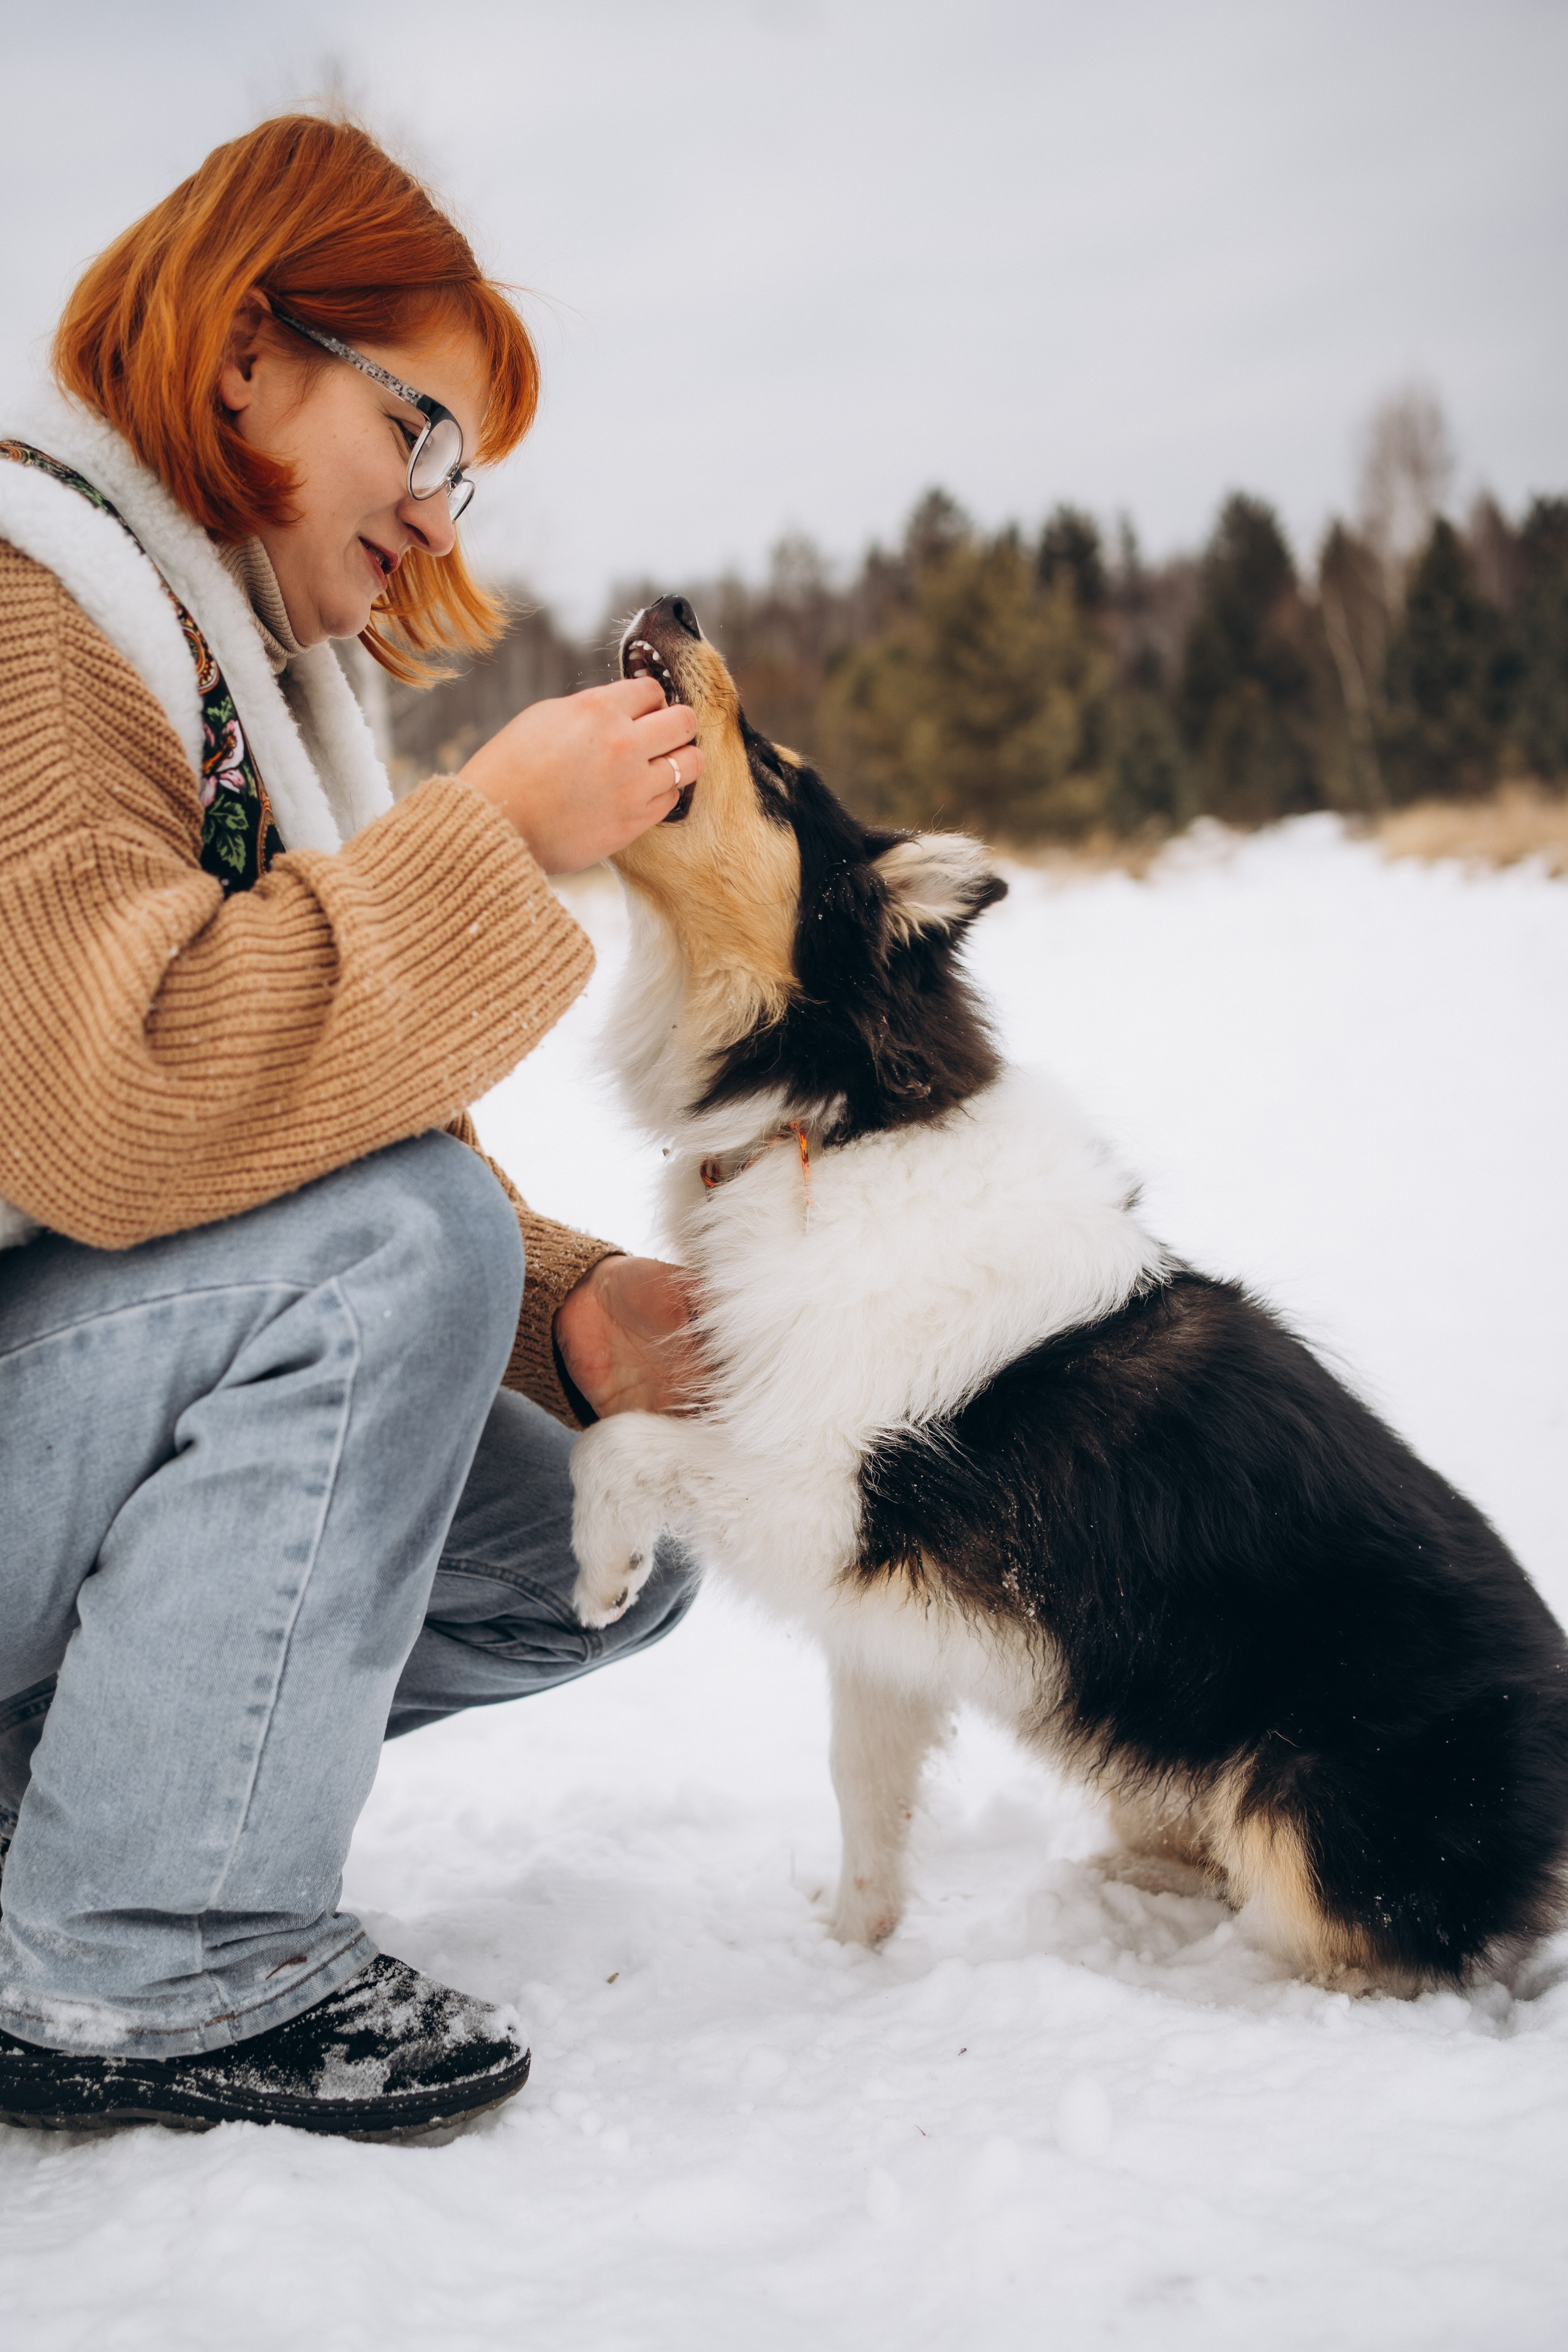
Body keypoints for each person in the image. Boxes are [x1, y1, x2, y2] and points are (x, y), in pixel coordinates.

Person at [0, 115, 706, 2139]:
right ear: (244, 358)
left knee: (595, 1550)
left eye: (467, 467)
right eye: (420, 429)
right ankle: (151, 1956)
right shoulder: (36, 614)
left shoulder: (239, 680)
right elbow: (116, 1110)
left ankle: (40, 1836)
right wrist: (492, 843)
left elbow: (299, 1128)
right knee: (406, 1243)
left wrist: (568, 1319)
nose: (437, 507)